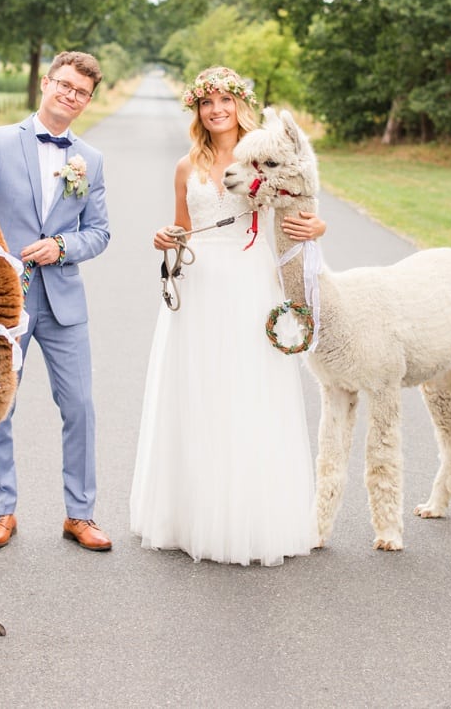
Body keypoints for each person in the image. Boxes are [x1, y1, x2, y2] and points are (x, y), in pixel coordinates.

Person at [129, 65, 324, 566]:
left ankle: (253, 518)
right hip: (198, 289)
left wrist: (315, 224)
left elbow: (299, 200)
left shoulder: (261, 155)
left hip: (251, 283)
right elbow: (183, 228)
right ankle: (192, 516)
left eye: (225, 101)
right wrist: (164, 238)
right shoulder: (185, 166)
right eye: (206, 103)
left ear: (240, 105)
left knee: (248, 391)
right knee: (198, 392)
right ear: (197, 110)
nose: (216, 111)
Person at [0, 50, 112, 552]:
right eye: (64, 85)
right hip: (1, 306)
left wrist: (63, 246)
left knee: (80, 407)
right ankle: (2, 511)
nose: (70, 96)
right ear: (47, 84)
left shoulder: (89, 160)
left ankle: (81, 514)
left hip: (64, 303)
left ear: (88, 100)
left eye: (81, 92)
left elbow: (99, 233)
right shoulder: (1, 142)